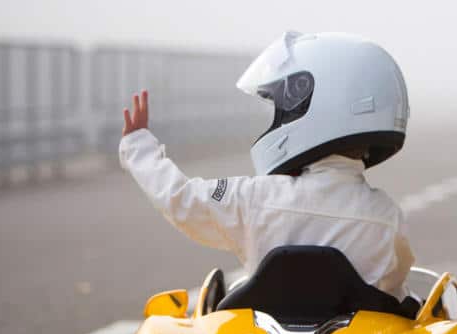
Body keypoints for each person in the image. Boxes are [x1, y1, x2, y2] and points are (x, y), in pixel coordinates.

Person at [119, 31, 414, 300]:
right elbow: (394, 297)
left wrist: (139, 147)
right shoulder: (387, 217)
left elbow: (180, 199)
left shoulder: (256, 198)